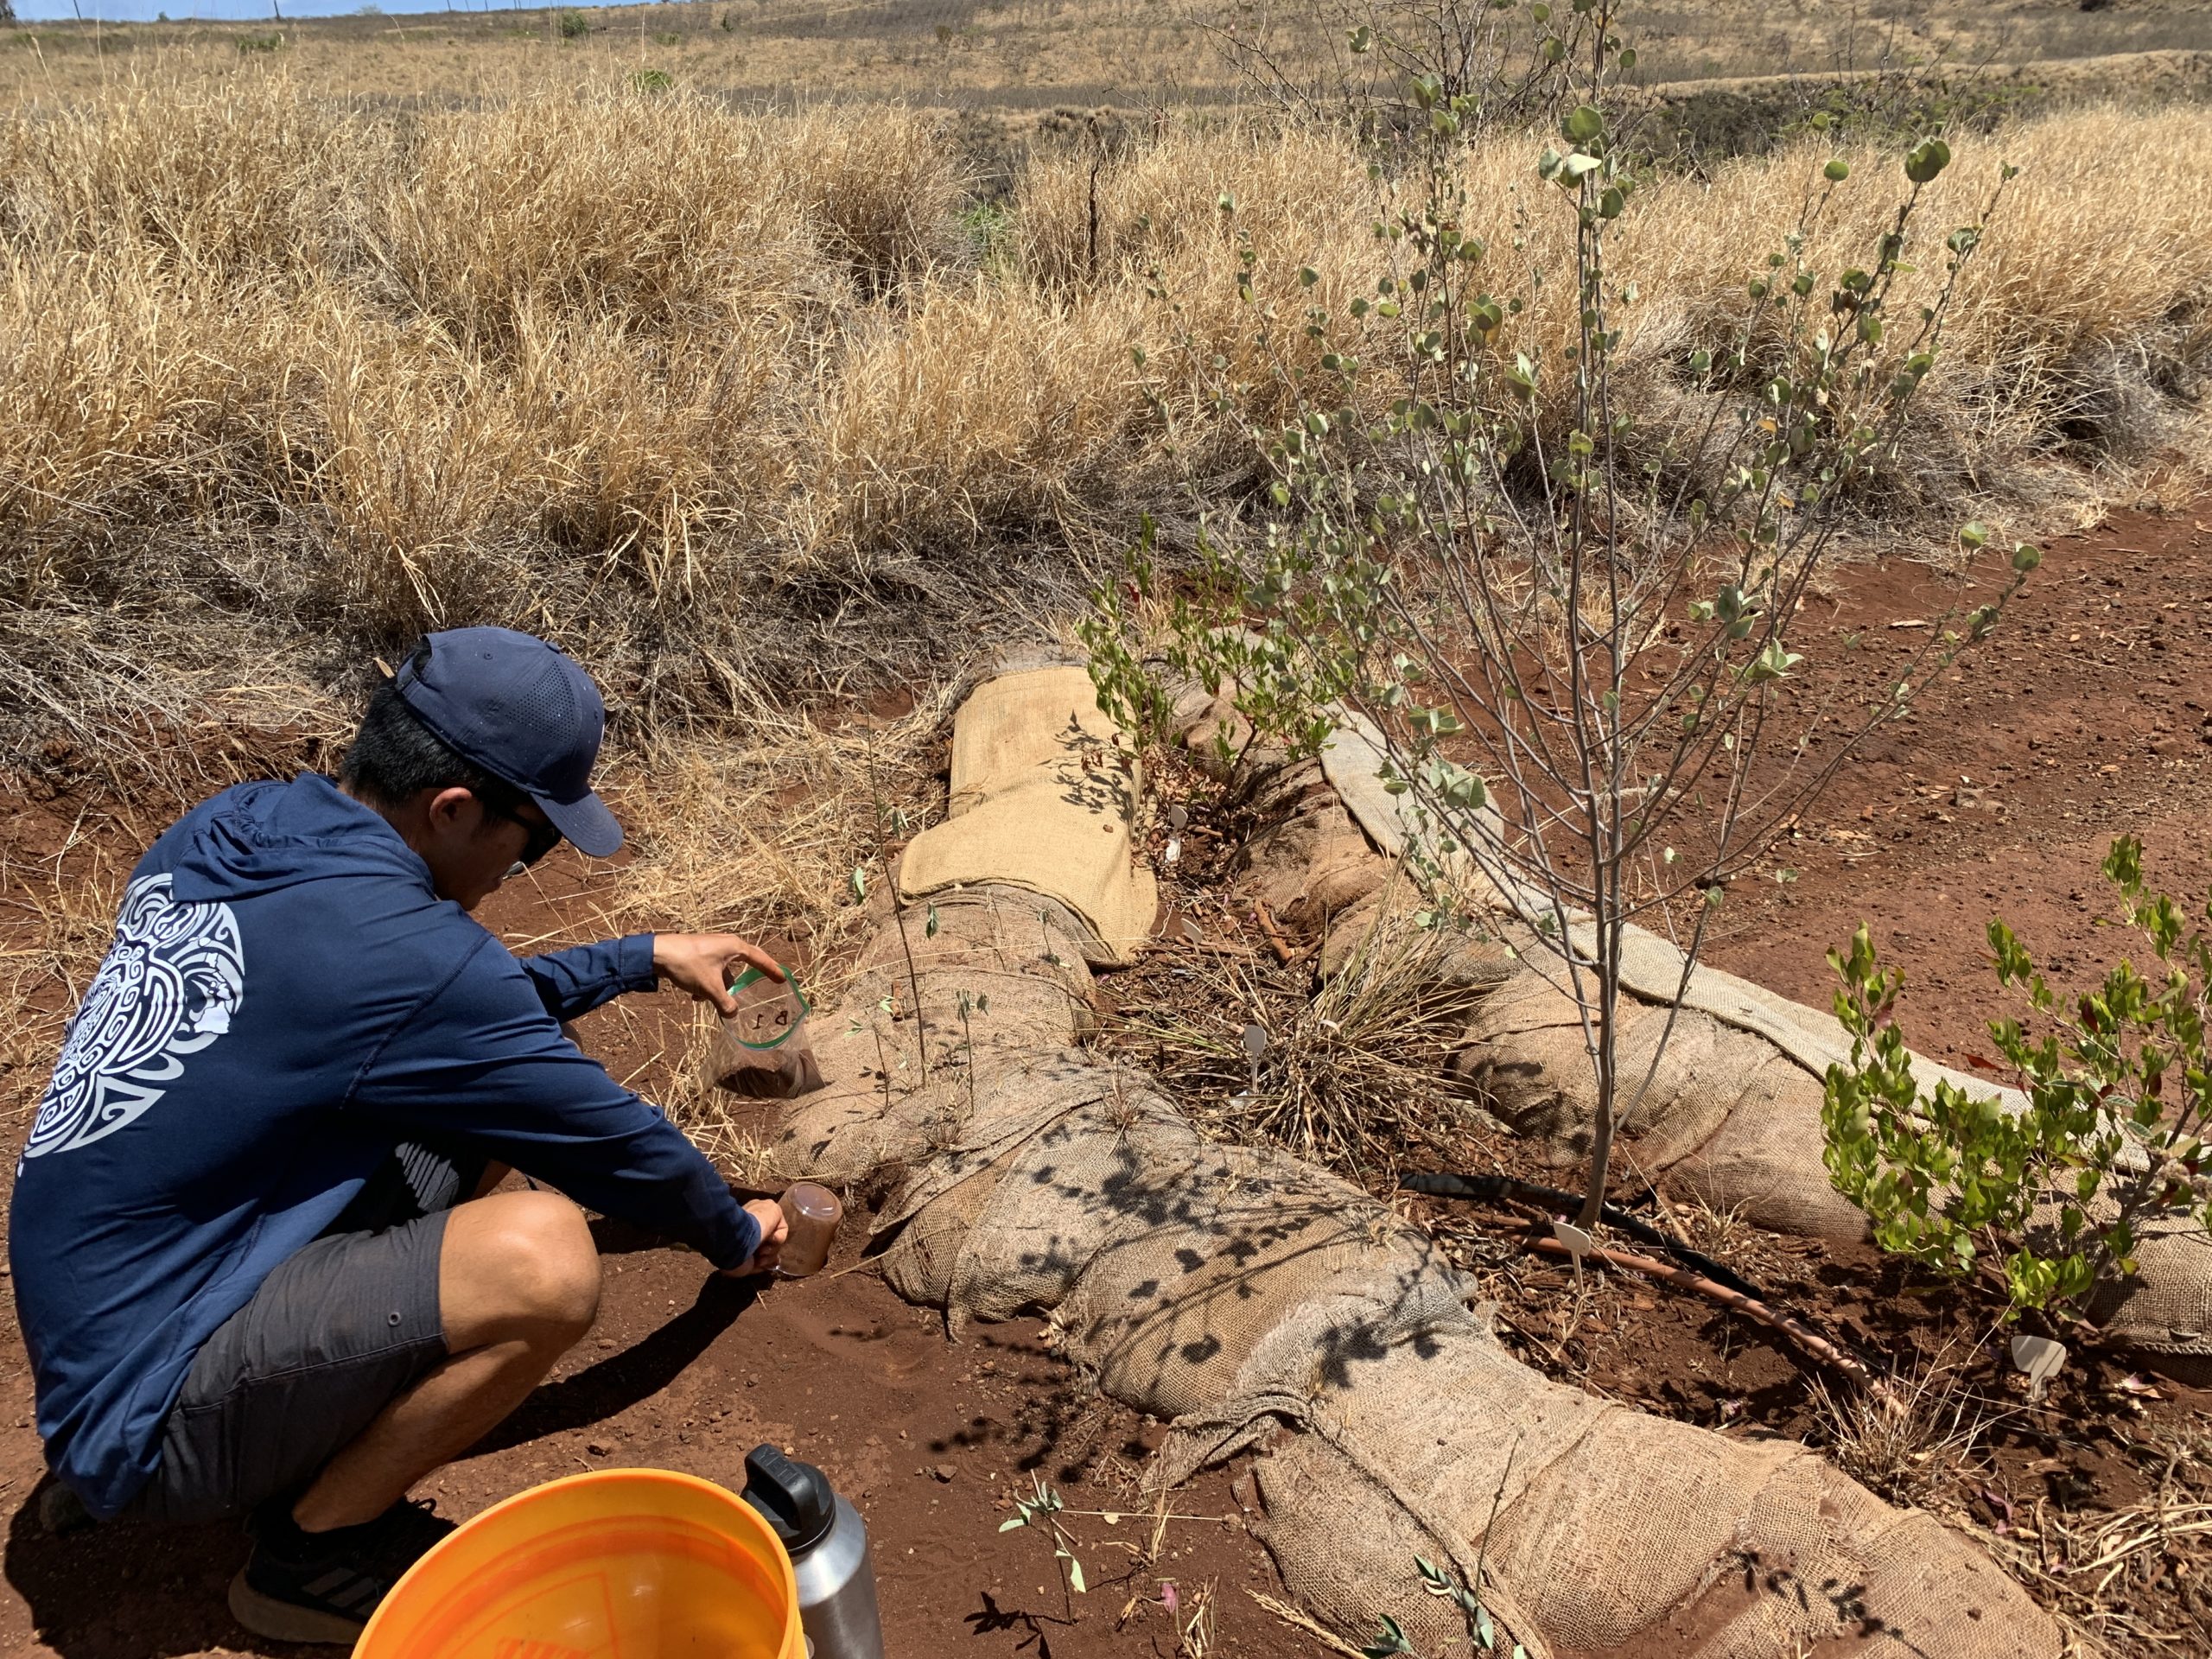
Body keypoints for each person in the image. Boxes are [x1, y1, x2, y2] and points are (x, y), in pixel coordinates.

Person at [10, 626, 793, 1645]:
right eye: (537, 836)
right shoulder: (410, 960)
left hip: (103, 1325)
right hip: (143, 1411)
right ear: (455, 809)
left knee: (486, 1082)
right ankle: (310, 1556)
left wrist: (636, 958)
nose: (527, 864)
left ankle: (209, 1442)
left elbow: (448, 1015)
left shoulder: (237, 827)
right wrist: (737, 1235)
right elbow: (611, 1144)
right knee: (540, 1257)